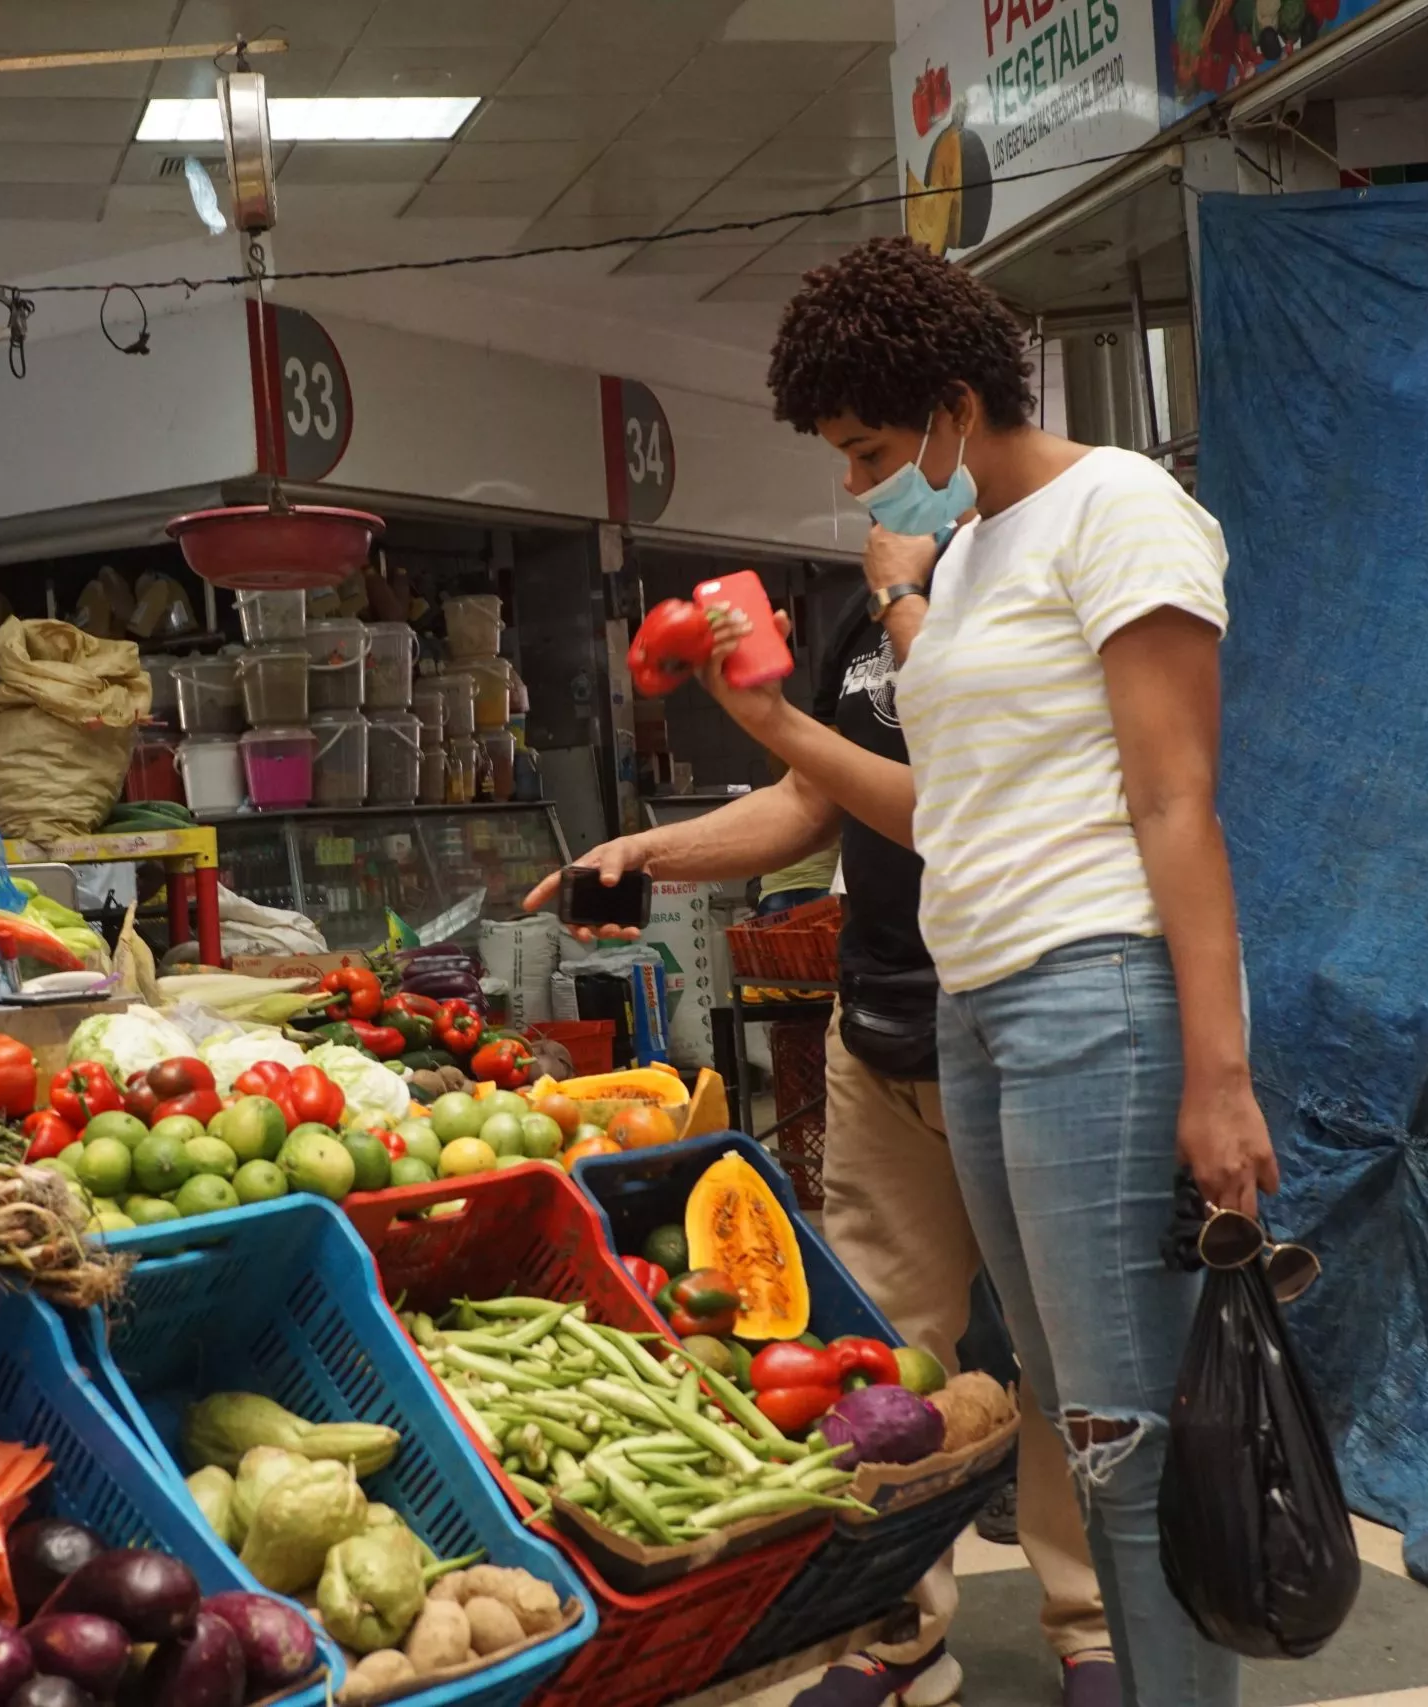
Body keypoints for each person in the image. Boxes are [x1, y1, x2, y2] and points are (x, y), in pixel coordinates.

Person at [667, 234, 1272, 1706]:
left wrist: (1220, 1074)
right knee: (1081, 1407)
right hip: (983, 1008)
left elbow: (1175, 800)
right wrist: (773, 728)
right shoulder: (974, 551)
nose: (864, 484)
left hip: (1097, 996)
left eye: (875, 447)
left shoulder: (1119, 508)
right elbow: (948, 812)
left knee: (1128, 1431)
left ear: (952, 401)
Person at [525, 526, 1115, 1707]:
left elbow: (959, 799)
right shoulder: (858, 618)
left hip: (1025, 1023)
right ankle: (893, 1623)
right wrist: (650, 851)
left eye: (870, 443)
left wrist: (886, 610)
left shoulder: (1047, 579)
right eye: (841, 454)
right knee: (879, 1345)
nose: (857, 486)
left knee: (1068, 1351)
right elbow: (813, 802)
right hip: (878, 1028)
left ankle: (1088, 1624)